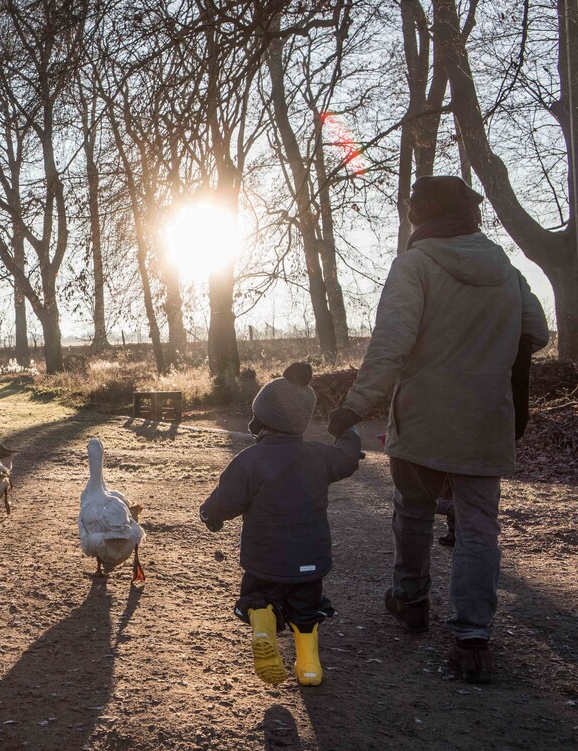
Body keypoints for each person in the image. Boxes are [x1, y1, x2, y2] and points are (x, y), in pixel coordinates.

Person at [328, 175, 549, 683]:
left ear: (421, 217)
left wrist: (354, 406)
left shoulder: (416, 265)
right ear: (469, 215)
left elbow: (391, 346)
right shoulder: (503, 267)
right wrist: (489, 356)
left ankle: (411, 600)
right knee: (477, 527)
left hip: (424, 419)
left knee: (414, 512)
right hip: (487, 419)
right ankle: (473, 637)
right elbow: (535, 330)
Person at [200, 363, 362, 687]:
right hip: (311, 559)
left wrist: (211, 516)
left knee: (256, 597)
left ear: (262, 419)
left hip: (265, 559)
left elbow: (227, 499)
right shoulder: (319, 456)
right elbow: (346, 458)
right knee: (307, 611)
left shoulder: (249, 460)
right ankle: (310, 667)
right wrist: (348, 431)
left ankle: (262, 621)